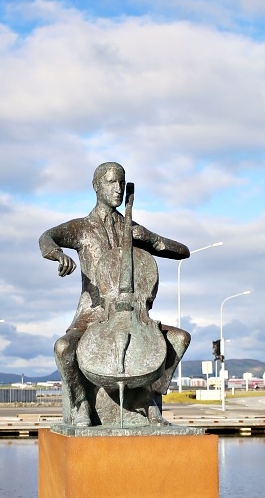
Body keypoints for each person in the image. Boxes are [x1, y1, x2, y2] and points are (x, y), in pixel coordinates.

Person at [39, 161, 190, 426]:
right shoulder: (81, 228)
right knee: (63, 348)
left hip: (134, 316)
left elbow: (182, 251)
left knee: (179, 339)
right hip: (91, 316)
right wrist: (57, 254)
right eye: (111, 182)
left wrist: (152, 239)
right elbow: (47, 237)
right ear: (96, 186)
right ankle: (81, 405)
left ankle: (149, 398)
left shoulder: (131, 228)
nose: (118, 188)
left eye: (121, 182)